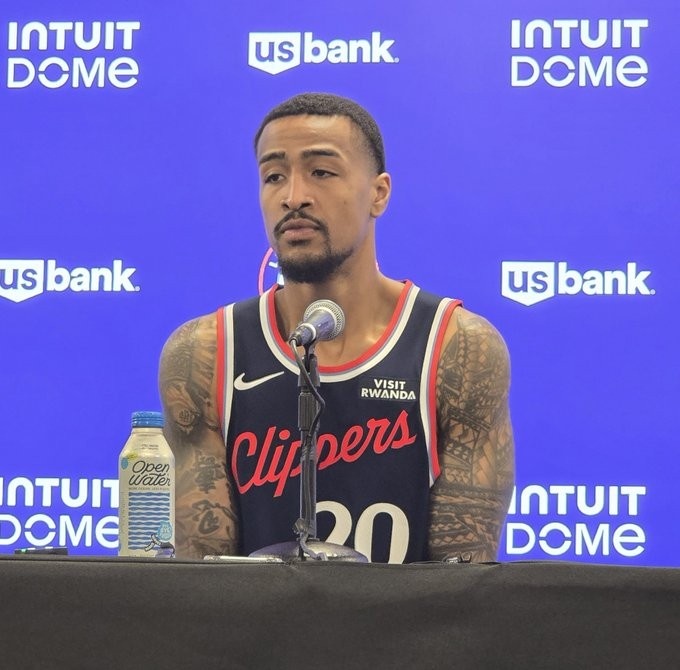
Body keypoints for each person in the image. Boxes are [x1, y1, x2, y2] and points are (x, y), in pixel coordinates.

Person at [158, 92, 514, 563]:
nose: (293, 196)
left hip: (410, 614)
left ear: (379, 193)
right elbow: (203, 580)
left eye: (321, 172)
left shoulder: (456, 347)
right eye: (273, 176)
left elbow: (464, 581)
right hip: (254, 615)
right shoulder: (204, 353)